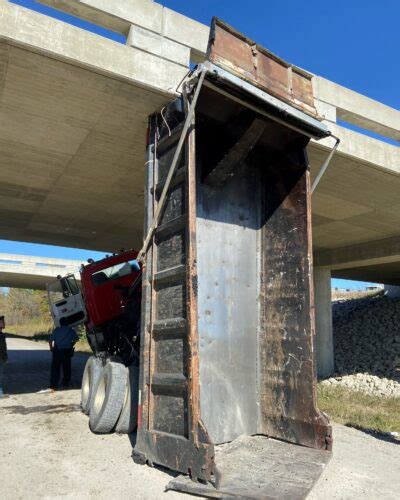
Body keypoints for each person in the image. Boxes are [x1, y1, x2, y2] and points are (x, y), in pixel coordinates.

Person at [48, 318, 78, 391]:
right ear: (67, 323)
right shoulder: (70, 330)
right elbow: (76, 339)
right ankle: (65, 383)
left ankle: (54, 384)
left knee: (55, 368)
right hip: (66, 351)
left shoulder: (57, 330)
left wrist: (51, 348)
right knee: (66, 368)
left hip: (57, 351)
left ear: (60, 323)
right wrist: (71, 344)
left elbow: (50, 340)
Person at [0, 315, 8, 398]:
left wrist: (5, 357)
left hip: (2, 358)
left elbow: (4, 348)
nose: (4, 323)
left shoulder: (2, 334)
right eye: (2, 322)